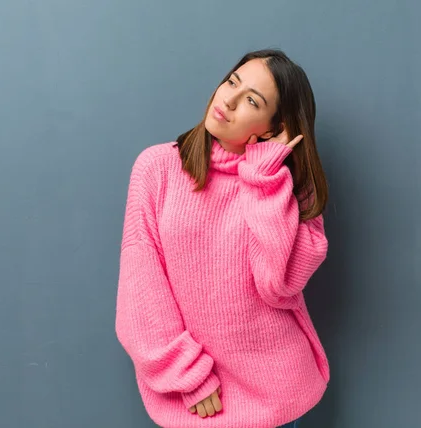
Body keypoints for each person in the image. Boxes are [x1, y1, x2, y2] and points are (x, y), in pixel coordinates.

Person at [115, 49, 329, 428]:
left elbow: (279, 286)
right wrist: (188, 376)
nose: (227, 100)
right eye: (232, 82)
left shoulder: (289, 186)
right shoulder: (157, 168)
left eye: (251, 100)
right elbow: (141, 286)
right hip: (200, 398)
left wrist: (263, 180)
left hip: (280, 395)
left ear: (271, 126)